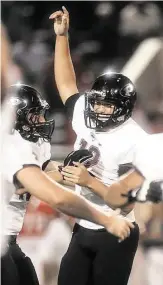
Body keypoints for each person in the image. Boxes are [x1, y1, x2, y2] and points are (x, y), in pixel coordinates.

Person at [50, 6, 148, 285]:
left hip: (116, 230)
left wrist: (89, 182)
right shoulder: (87, 111)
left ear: (124, 107)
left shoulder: (135, 141)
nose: (99, 110)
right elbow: (66, 84)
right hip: (83, 225)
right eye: (97, 103)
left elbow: (126, 203)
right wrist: (62, 36)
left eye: (107, 105)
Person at [1, 83, 133, 285]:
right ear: (16, 119)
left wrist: (69, 170)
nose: (44, 121)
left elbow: (45, 170)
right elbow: (56, 196)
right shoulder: (7, 148)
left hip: (9, 243)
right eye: (36, 116)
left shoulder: (27, 145)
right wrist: (105, 220)